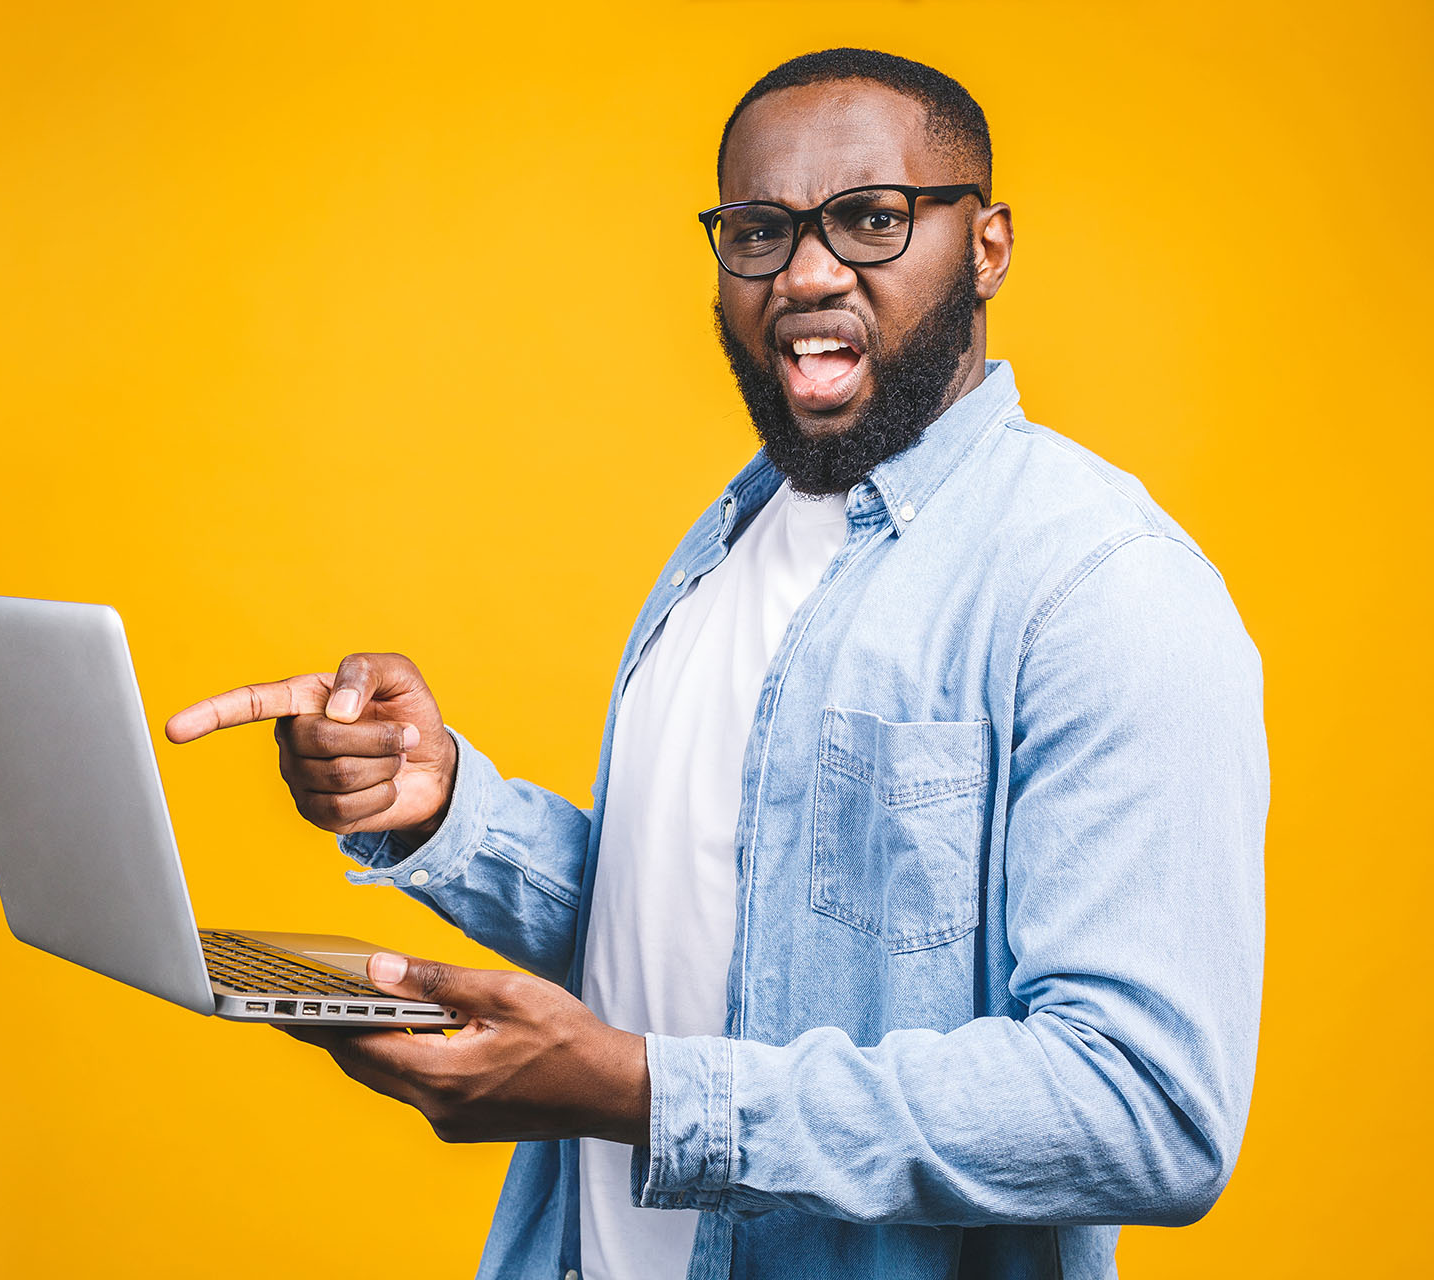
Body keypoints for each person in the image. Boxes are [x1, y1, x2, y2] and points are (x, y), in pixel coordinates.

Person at [164, 47, 1266, 1280]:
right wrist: (447, 808)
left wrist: (644, 1093)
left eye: (871, 218)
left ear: (989, 246)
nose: (805, 270)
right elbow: (703, 923)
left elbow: (1147, 1108)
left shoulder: (1104, 587)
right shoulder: (731, 539)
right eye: (758, 229)